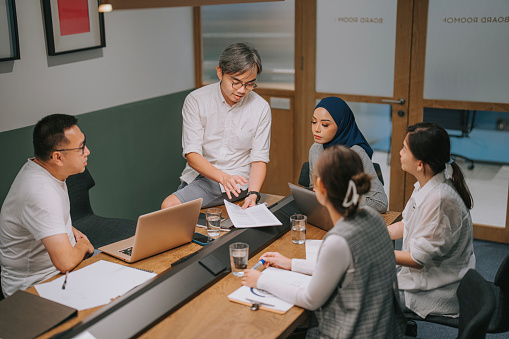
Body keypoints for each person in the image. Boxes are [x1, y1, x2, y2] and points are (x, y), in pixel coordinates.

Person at [243, 145, 405, 338]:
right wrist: (290, 263)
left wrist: (262, 280)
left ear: (320, 187)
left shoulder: (338, 239)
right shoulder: (372, 217)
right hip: (385, 329)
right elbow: (341, 267)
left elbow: (310, 299)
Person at [161, 42, 271, 210]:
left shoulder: (260, 107)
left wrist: (253, 193)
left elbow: (259, 159)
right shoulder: (197, 100)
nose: (242, 90)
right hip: (198, 175)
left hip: (235, 181)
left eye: (249, 84)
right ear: (220, 72)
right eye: (236, 82)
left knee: (169, 206)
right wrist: (222, 177)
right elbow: (192, 154)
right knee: (174, 216)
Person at [387, 121, 475, 318]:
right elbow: (408, 224)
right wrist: (373, 233)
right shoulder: (426, 185)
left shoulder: (440, 200)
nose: (400, 152)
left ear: (420, 163)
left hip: (436, 291)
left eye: (404, 148)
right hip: (423, 279)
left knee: (358, 291)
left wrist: (374, 251)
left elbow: (417, 260)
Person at [0, 114, 94, 297]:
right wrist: (83, 246)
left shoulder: (43, 169)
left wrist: (66, 227)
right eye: (81, 147)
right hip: (36, 286)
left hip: (58, 273)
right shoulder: (39, 191)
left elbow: (40, 215)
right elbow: (65, 262)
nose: (87, 151)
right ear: (58, 157)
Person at [309, 96, 388, 213]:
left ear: (341, 125)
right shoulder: (315, 149)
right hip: (325, 214)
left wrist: (341, 201)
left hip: (350, 216)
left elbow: (380, 202)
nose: (316, 129)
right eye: (313, 122)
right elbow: (313, 187)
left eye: (325, 124)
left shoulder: (356, 154)